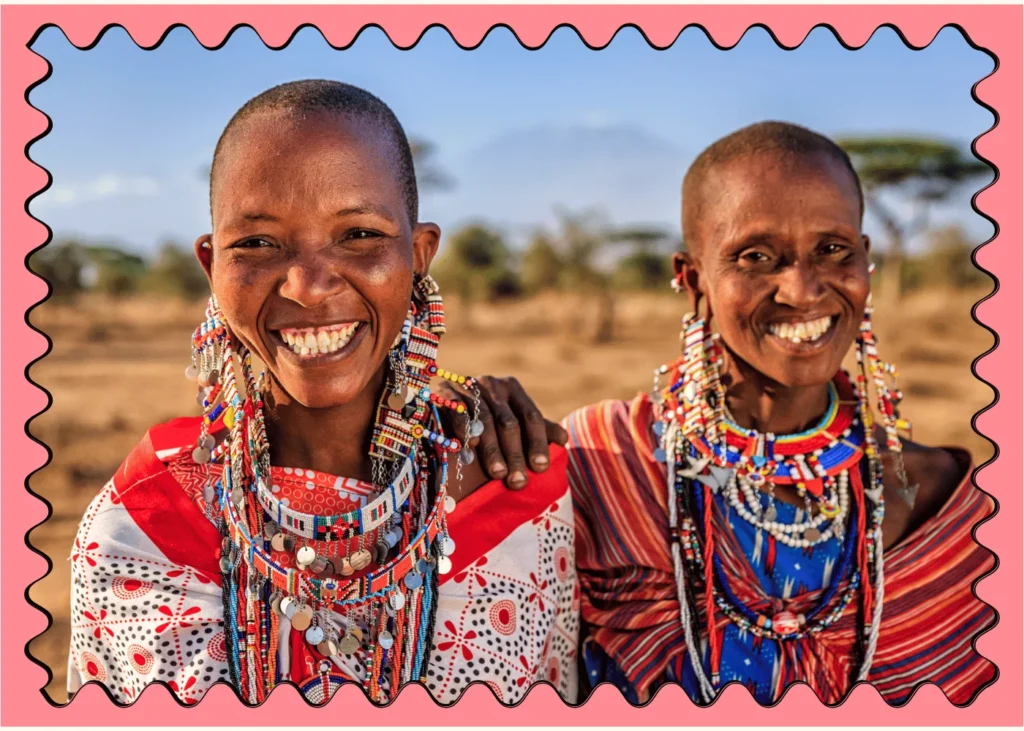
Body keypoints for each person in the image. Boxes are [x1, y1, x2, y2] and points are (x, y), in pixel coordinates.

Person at [66, 80, 579, 707]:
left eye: (358, 234)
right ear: (212, 266)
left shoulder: (517, 493)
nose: (307, 286)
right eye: (257, 243)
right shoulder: (139, 528)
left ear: (419, 255)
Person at [453, 122, 996, 706]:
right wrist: (459, 416)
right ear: (692, 280)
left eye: (833, 250)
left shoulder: (949, 506)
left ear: (866, 262)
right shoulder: (608, 463)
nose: (801, 289)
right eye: (756, 256)